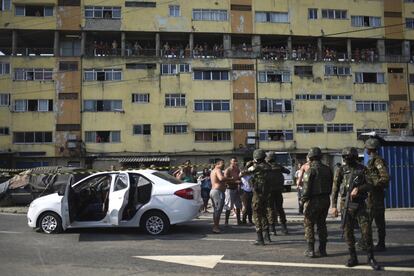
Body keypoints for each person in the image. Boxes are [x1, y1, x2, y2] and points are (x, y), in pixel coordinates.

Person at [331, 147, 380, 270]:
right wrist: (333, 206)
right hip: (345, 205)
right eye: (346, 158)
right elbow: (335, 189)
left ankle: (371, 257)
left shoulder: (363, 169)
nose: (347, 160)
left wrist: (359, 189)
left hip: (360, 205)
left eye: (349, 157)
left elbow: (370, 184)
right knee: (348, 232)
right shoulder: (341, 170)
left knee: (366, 231)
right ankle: (353, 257)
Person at [302, 147, 333, 258]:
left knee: (309, 224)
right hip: (325, 199)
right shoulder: (328, 169)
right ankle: (322, 249)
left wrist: (303, 201)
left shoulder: (310, 170)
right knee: (322, 224)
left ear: (310, 157)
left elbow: (305, 189)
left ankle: (311, 250)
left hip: (313, 200)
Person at [243, 149, 272, 245]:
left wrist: (247, 165)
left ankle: (260, 239)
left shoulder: (255, 167)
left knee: (257, 215)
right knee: (264, 214)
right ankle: (267, 236)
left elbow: (243, 173)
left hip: (258, 195)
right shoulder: (268, 166)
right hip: (267, 194)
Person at [365, 138, 390, 251]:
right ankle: (378, 243)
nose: (365, 149)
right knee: (374, 220)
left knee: (371, 221)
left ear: (370, 148)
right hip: (372, 196)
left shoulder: (377, 161)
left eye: (366, 147)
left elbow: (385, 177)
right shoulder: (372, 160)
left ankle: (377, 243)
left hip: (375, 196)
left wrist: (373, 185)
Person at [266, 151, 290, 235]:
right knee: (280, 209)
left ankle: (272, 229)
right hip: (278, 191)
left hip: (269, 191)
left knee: (271, 209)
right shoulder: (279, 166)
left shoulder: (266, 167)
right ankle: (284, 228)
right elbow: (287, 171)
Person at [210, 159, 232, 233]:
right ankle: (215, 227)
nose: (224, 165)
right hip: (217, 192)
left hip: (214, 191)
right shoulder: (218, 170)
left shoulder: (213, 170)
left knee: (216, 210)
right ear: (217, 164)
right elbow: (221, 178)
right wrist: (231, 179)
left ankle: (216, 226)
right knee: (217, 210)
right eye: (222, 163)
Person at [224, 157, 242, 225]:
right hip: (229, 189)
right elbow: (225, 180)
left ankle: (238, 220)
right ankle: (226, 221)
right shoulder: (228, 170)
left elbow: (239, 177)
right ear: (230, 162)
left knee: (238, 205)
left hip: (236, 189)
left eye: (236, 161)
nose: (235, 162)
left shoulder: (237, 169)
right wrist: (235, 181)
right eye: (234, 161)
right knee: (229, 206)